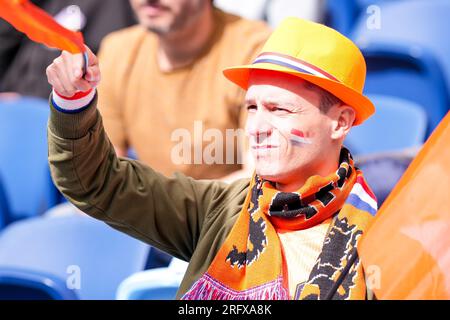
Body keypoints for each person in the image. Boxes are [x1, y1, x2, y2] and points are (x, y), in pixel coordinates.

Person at [46, 17, 377, 299]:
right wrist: (73, 100)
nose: (256, 128)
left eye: (279, 109)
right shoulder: (220, 210)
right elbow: (96, 182)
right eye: (251, 108)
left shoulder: (383, 236)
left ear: (341, 121)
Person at [95, 0, 270, 180]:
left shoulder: (256, 50)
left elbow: (258, 178)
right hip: (147, 201)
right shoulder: (117, 51)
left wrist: (166, 202)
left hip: (229, 206)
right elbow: (106, 176)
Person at [0, 0, 137, 99]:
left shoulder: (111, 7)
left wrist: (27, 100)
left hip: (55, 114)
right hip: (12, 103)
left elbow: (98, 71)